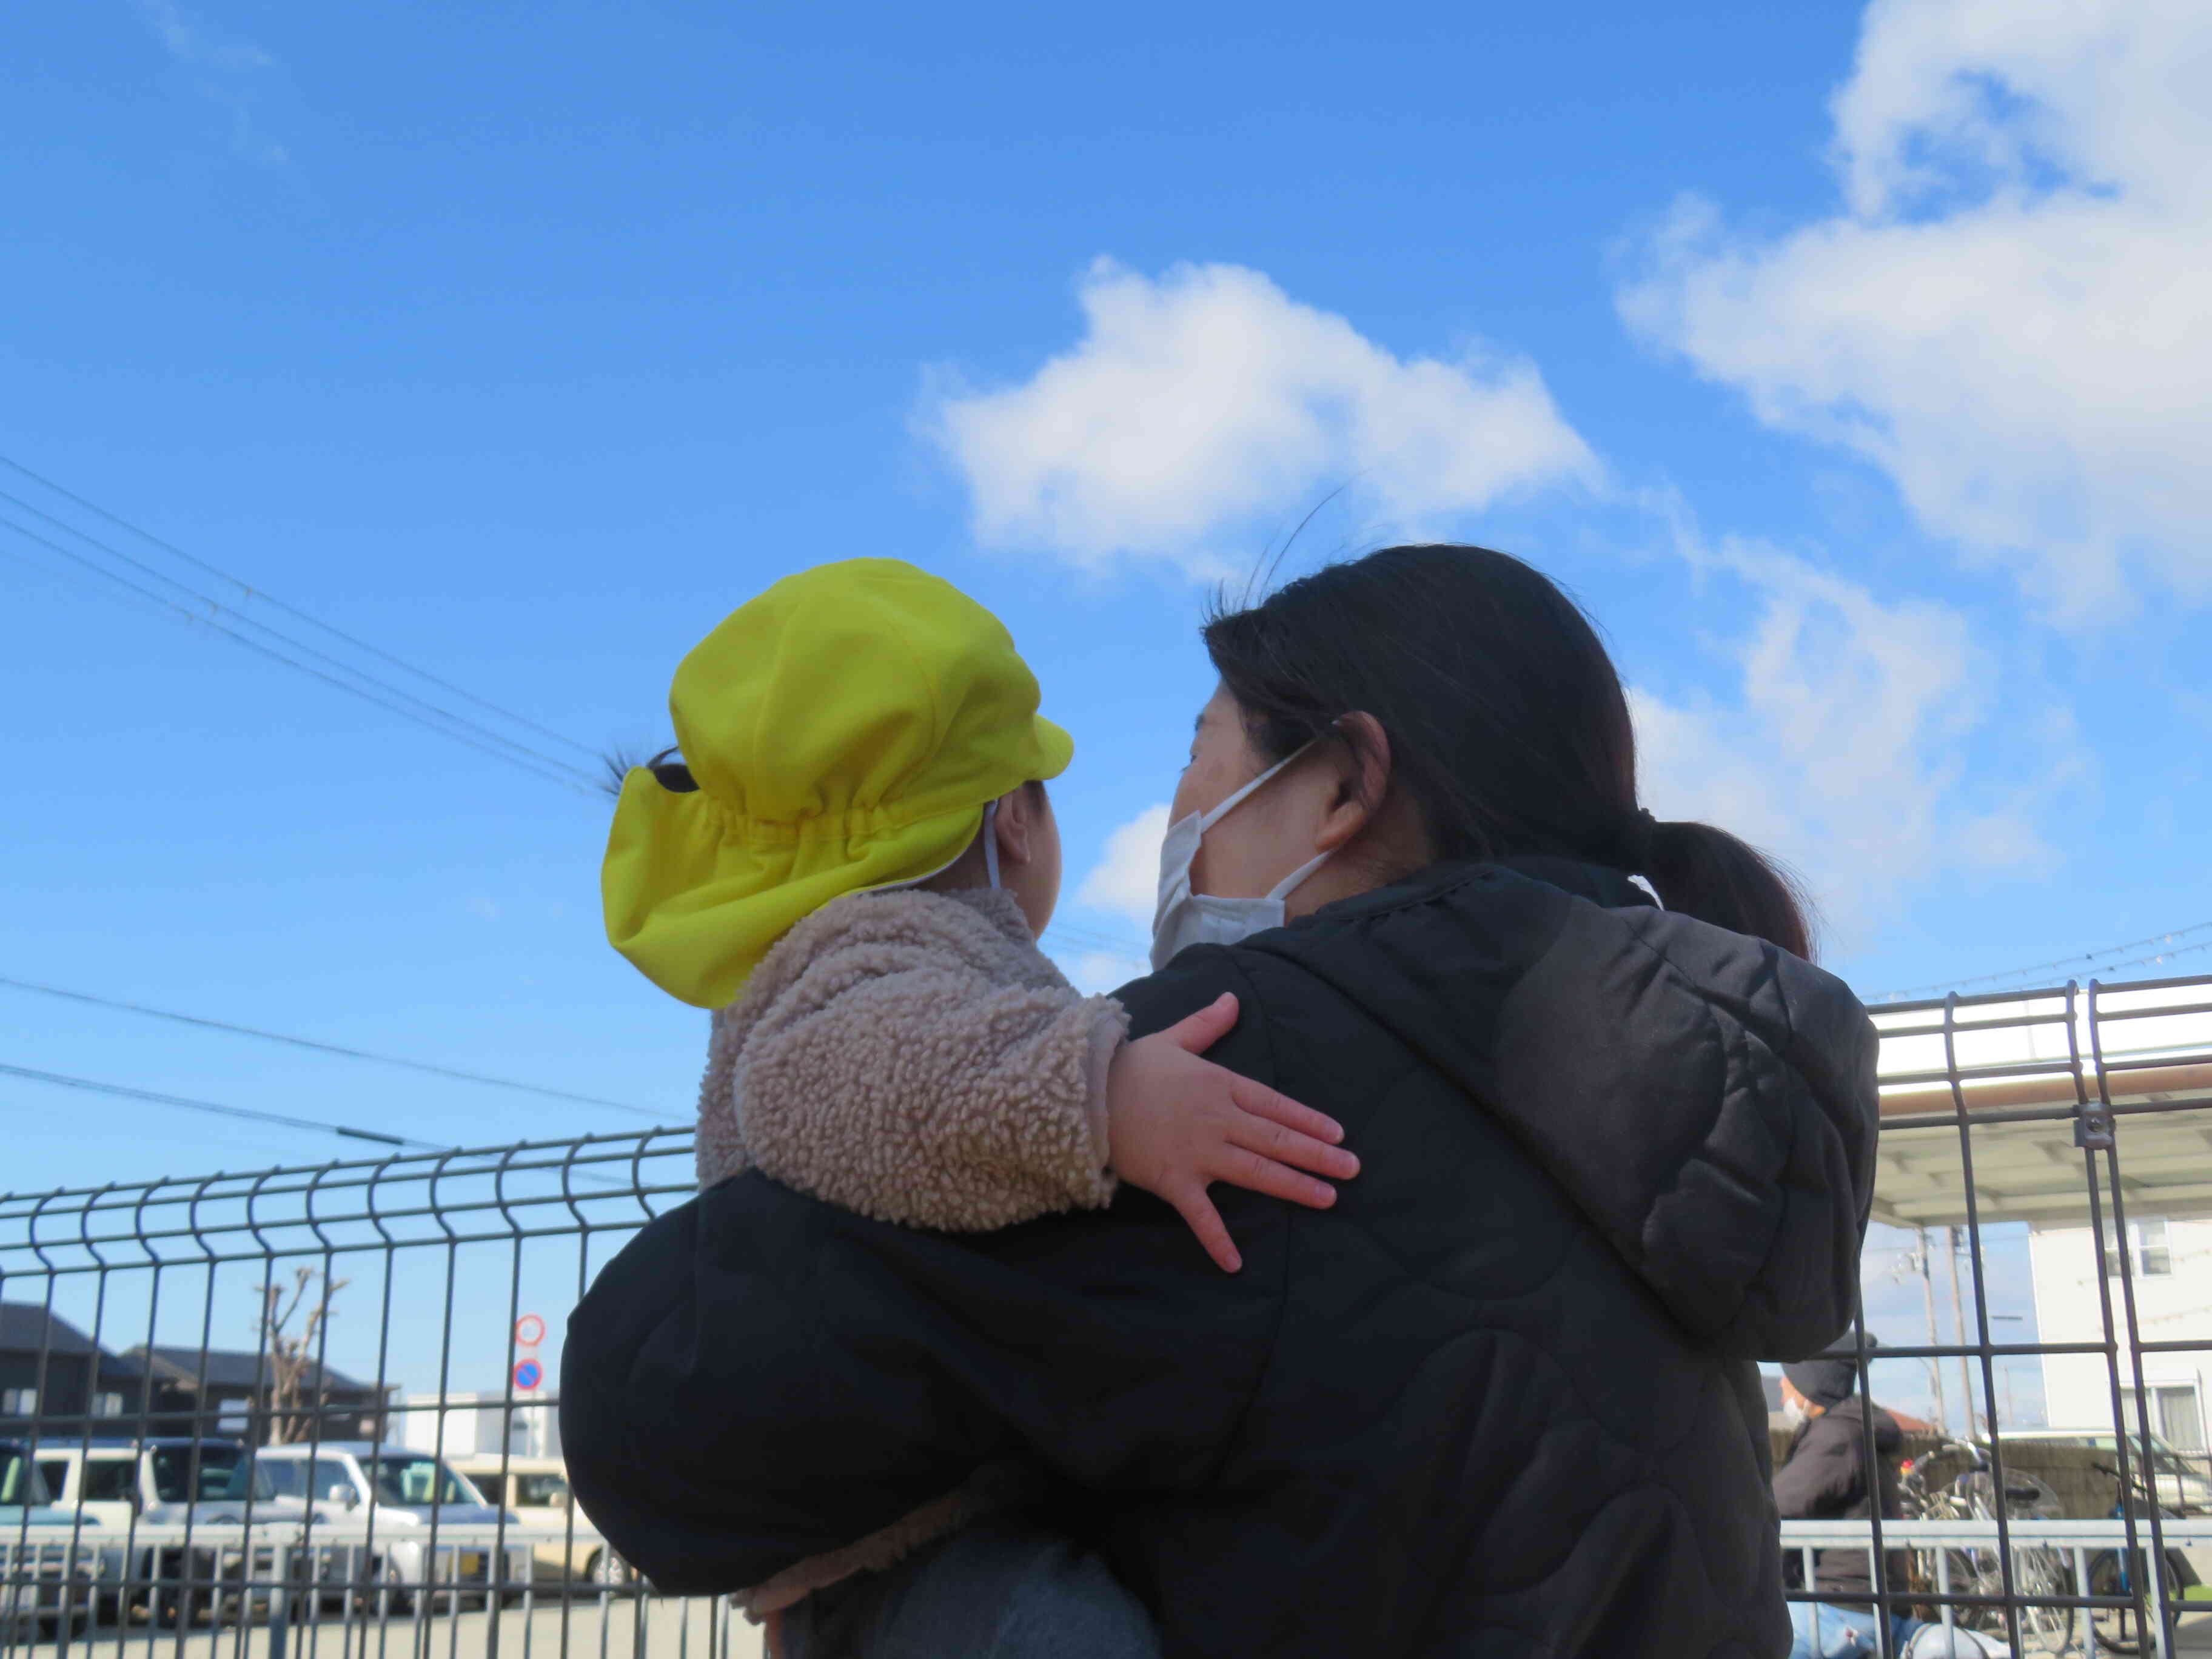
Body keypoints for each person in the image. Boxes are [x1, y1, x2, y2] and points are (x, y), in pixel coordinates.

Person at [563, 543, 1885, 1658]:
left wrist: (1098, 1088)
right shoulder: (1684, 1113)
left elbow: (654, 1416)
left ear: (1342, 788)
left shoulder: (1243, 1057)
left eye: (1200, 752)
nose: (1174, 808)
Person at [599, 558, 1358, 1651]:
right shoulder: (873, 951)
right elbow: (829, 1080)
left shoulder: (850, 954)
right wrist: (1103, 1092)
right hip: (923, 1546)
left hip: (911, 1515)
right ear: (1012, 814)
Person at [1774, 1350, 2007, 1658]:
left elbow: (1777, 1502)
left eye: (1788, 1380)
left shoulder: (1836, 1436)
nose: (1781, 1387)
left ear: (1810, 1388)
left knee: (1749, 1639)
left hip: (1840, 1602)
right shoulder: (1852, 1429)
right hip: (1868, 1599)